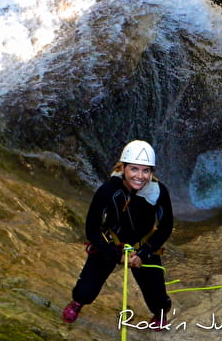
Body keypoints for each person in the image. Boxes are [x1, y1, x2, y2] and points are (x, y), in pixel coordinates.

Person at [62, 140, 173, 330]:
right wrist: (116, 255)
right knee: (85, 290)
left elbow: (166, 226)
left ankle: (159, 313)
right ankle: (78, 302)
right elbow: (92, 228)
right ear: (123, 168)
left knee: (157, 297)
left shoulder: (158, 192)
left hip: (142, 245)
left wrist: (145, 253)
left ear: (151, 171)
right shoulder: (108, 191)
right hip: (112, 242)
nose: (140, 176)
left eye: (146, 171)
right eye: (134, 169)